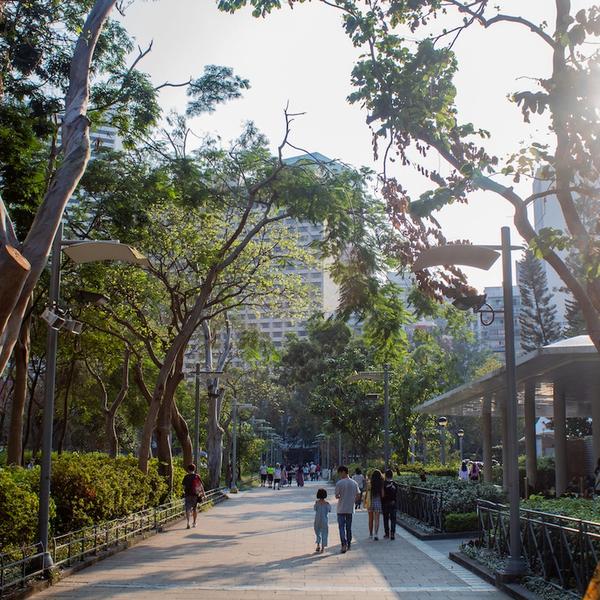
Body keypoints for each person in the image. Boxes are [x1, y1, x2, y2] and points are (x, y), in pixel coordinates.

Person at [335, 465, 360, 554]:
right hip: (350, 508)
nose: (339, 475)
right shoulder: (354, 483)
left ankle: (343, 544)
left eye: (340, 473)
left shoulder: (339, 483)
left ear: (343, 472)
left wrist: (341, 496)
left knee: (341, 527)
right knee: (348, 528)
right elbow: (358, 495)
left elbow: (337, 496)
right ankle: (349, 544)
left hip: (341, 509)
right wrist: (353, 500)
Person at [182, 463, 205, 529]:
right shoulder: (197, 476)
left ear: (188, 469)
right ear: (194, 469)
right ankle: (194, 523)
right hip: (195, 495)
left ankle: (188, 522)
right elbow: (200, 486)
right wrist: (203, 494)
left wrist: (184, 492)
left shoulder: (186, 477)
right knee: (195, 509)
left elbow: (184, 487)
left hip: (187, 495)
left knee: (188, 508)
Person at [382, 469, 398, 540]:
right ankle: (392, 534)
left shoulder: (383, 484)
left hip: (385, 503)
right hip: (393, 503)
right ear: (392, 475)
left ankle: (387, 533)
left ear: (385, 475)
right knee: (393, 519)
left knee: (385, 519)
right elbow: (396, 494)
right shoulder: (395, 484)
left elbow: (382, 495)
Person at [368, 469, 384, 540]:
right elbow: (382, 494)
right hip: (377, 500)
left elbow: (367, 492)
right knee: (377, 518)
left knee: (370, 519)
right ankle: (376, 534)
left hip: (370, 501)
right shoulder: (381, 483)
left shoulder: (369, 482)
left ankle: (370, 534)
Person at [314, 488, 331, 553]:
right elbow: (329, 510)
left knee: (317, 532)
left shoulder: (317, 503)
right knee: (324, 533)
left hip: (317, 520)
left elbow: (315, 509)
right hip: (324, 520)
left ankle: (318, 545)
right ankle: (323, 548)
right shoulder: (327, 504)